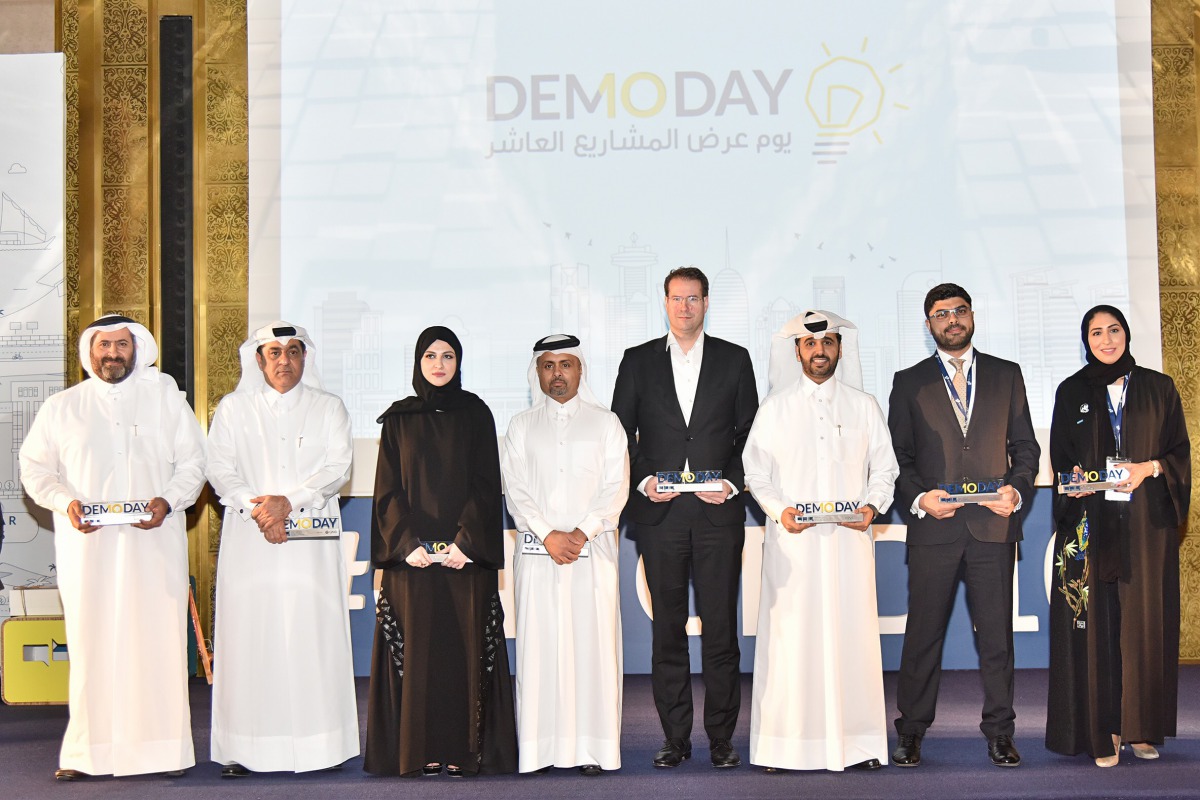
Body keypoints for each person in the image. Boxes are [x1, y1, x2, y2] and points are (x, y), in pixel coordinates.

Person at [19, 314, 206, 780]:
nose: (113, 354)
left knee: (157, 644)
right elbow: (35, 470)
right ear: (90, 351)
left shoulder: (165, 398)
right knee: (92, 644)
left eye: (122, 345)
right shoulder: (64, 406)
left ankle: (163, 753)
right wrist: (66, 503)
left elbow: (194, 461)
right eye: (105, 345)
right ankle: (89, 755)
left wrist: (169, 499)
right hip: (90, 549)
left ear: (136, 349)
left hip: (154, 543)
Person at [611, 266, 758, 769]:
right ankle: (675, 738)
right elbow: (620, 438)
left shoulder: (735, 360)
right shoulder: (636, 362)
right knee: (667, 632)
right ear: (665, 302)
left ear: (707, 302)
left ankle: (721, 738)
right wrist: (643, 481)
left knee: (721, 632)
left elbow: (750, 436)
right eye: (676, 298)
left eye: (693, 298)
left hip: (718, 517)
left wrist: (734, 482)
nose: (685, 307)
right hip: (661, 517)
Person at [887, 283, 1040, 768]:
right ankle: (910, 731)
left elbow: (1026, 449)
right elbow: (899, 460)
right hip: (935, 528)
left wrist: (1017, 490)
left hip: (993, 528)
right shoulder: (908, 382)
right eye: (940, 314)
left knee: (997, 638)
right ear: (928, 324)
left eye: (958, 311)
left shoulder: (1006, 374)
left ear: (972, 315)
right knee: (923, 636)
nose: (951, 320)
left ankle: (1000, 732)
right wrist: (918, 499)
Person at [743, 311, 898, 772]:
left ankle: (860, 744)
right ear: (797, 352)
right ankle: (782, 747)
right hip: (794, 549)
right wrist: (779, 511)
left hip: (849, 547)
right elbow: (755, 472)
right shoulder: (774, 407)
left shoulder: (864, 405)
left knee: (852, 640)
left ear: (840, 349)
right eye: (810, 345)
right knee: (791, 644)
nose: (819, 352)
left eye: (827, 343)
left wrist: (872, 507)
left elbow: (885, 469)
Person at [364, 326, 517, 778]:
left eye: (448, 356)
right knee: (419, 656)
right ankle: (419, 751)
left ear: (458, 363)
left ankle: (464, 752)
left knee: (461, 655)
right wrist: (406, 545)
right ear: (417, 362)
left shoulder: (476, 414)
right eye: (430, 355)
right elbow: (386, 492)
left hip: (462, 563)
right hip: (411, 564)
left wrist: (465, 544)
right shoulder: (398, 419)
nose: (439, 364)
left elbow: (488, 486)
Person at [207, 321, 359, 777]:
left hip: (310, 545)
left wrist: (287, 503)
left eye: (293, 352)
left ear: (304, 359)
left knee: (311, 636)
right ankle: (247, 748)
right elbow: (220, 469)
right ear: (258, 360)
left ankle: (321, 746)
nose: (284, 361)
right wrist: (260, 511)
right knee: (252, 638)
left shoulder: (329, 406)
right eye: (274, 353)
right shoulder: (234, 409)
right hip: (250, 539)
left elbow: (338, 467)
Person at [1045, 306, 1190, 767]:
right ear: (1085, 340)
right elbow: (1061, 461)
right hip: (1091, 526)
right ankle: (1104, 731)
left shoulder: (1158, 388)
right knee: (1099, 628)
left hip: (1147, 527)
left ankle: (1141, 727)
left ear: (1126, 333)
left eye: (1114, 330)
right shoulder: (1072, 391)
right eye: (1096, 332)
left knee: (1144, 625)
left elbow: (1178, 454)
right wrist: (1077, 481)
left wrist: (1148, 468)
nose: (1106, 339)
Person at [501, 334, 629, 776]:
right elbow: (515, 490)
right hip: (538, 556)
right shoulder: (520, 426)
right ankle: (539, 750)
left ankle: (593, 749)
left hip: (593, 555)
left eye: (566, 364)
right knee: (539, 651)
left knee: (592, 650)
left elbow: (616, 487)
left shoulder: (606, 423)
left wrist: (581, 532)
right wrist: (547, 534)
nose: (557, 374)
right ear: (538, 371)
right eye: (549, 365)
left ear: (581, 370)